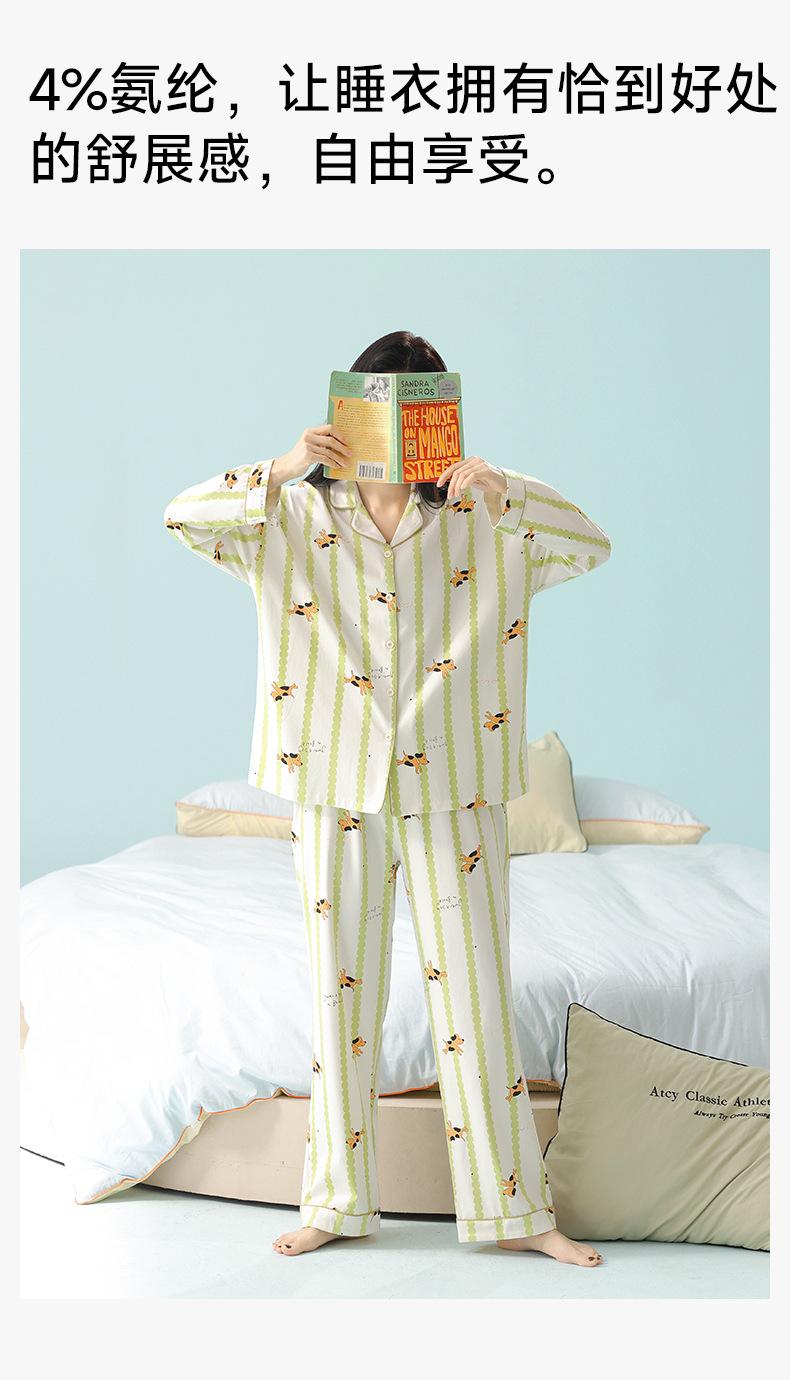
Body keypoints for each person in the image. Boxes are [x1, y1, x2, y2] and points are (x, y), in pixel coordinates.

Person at [163, 330, 611, 1267]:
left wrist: (508, 492)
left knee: (476, 997)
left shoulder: (488, 515)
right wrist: (279, 467)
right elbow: (184, 519)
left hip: (457, 780)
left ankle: (517, 1212)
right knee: (340, 994)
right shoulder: (288, 514)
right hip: (333, 778)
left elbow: (590, 546)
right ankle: (335, 1199)